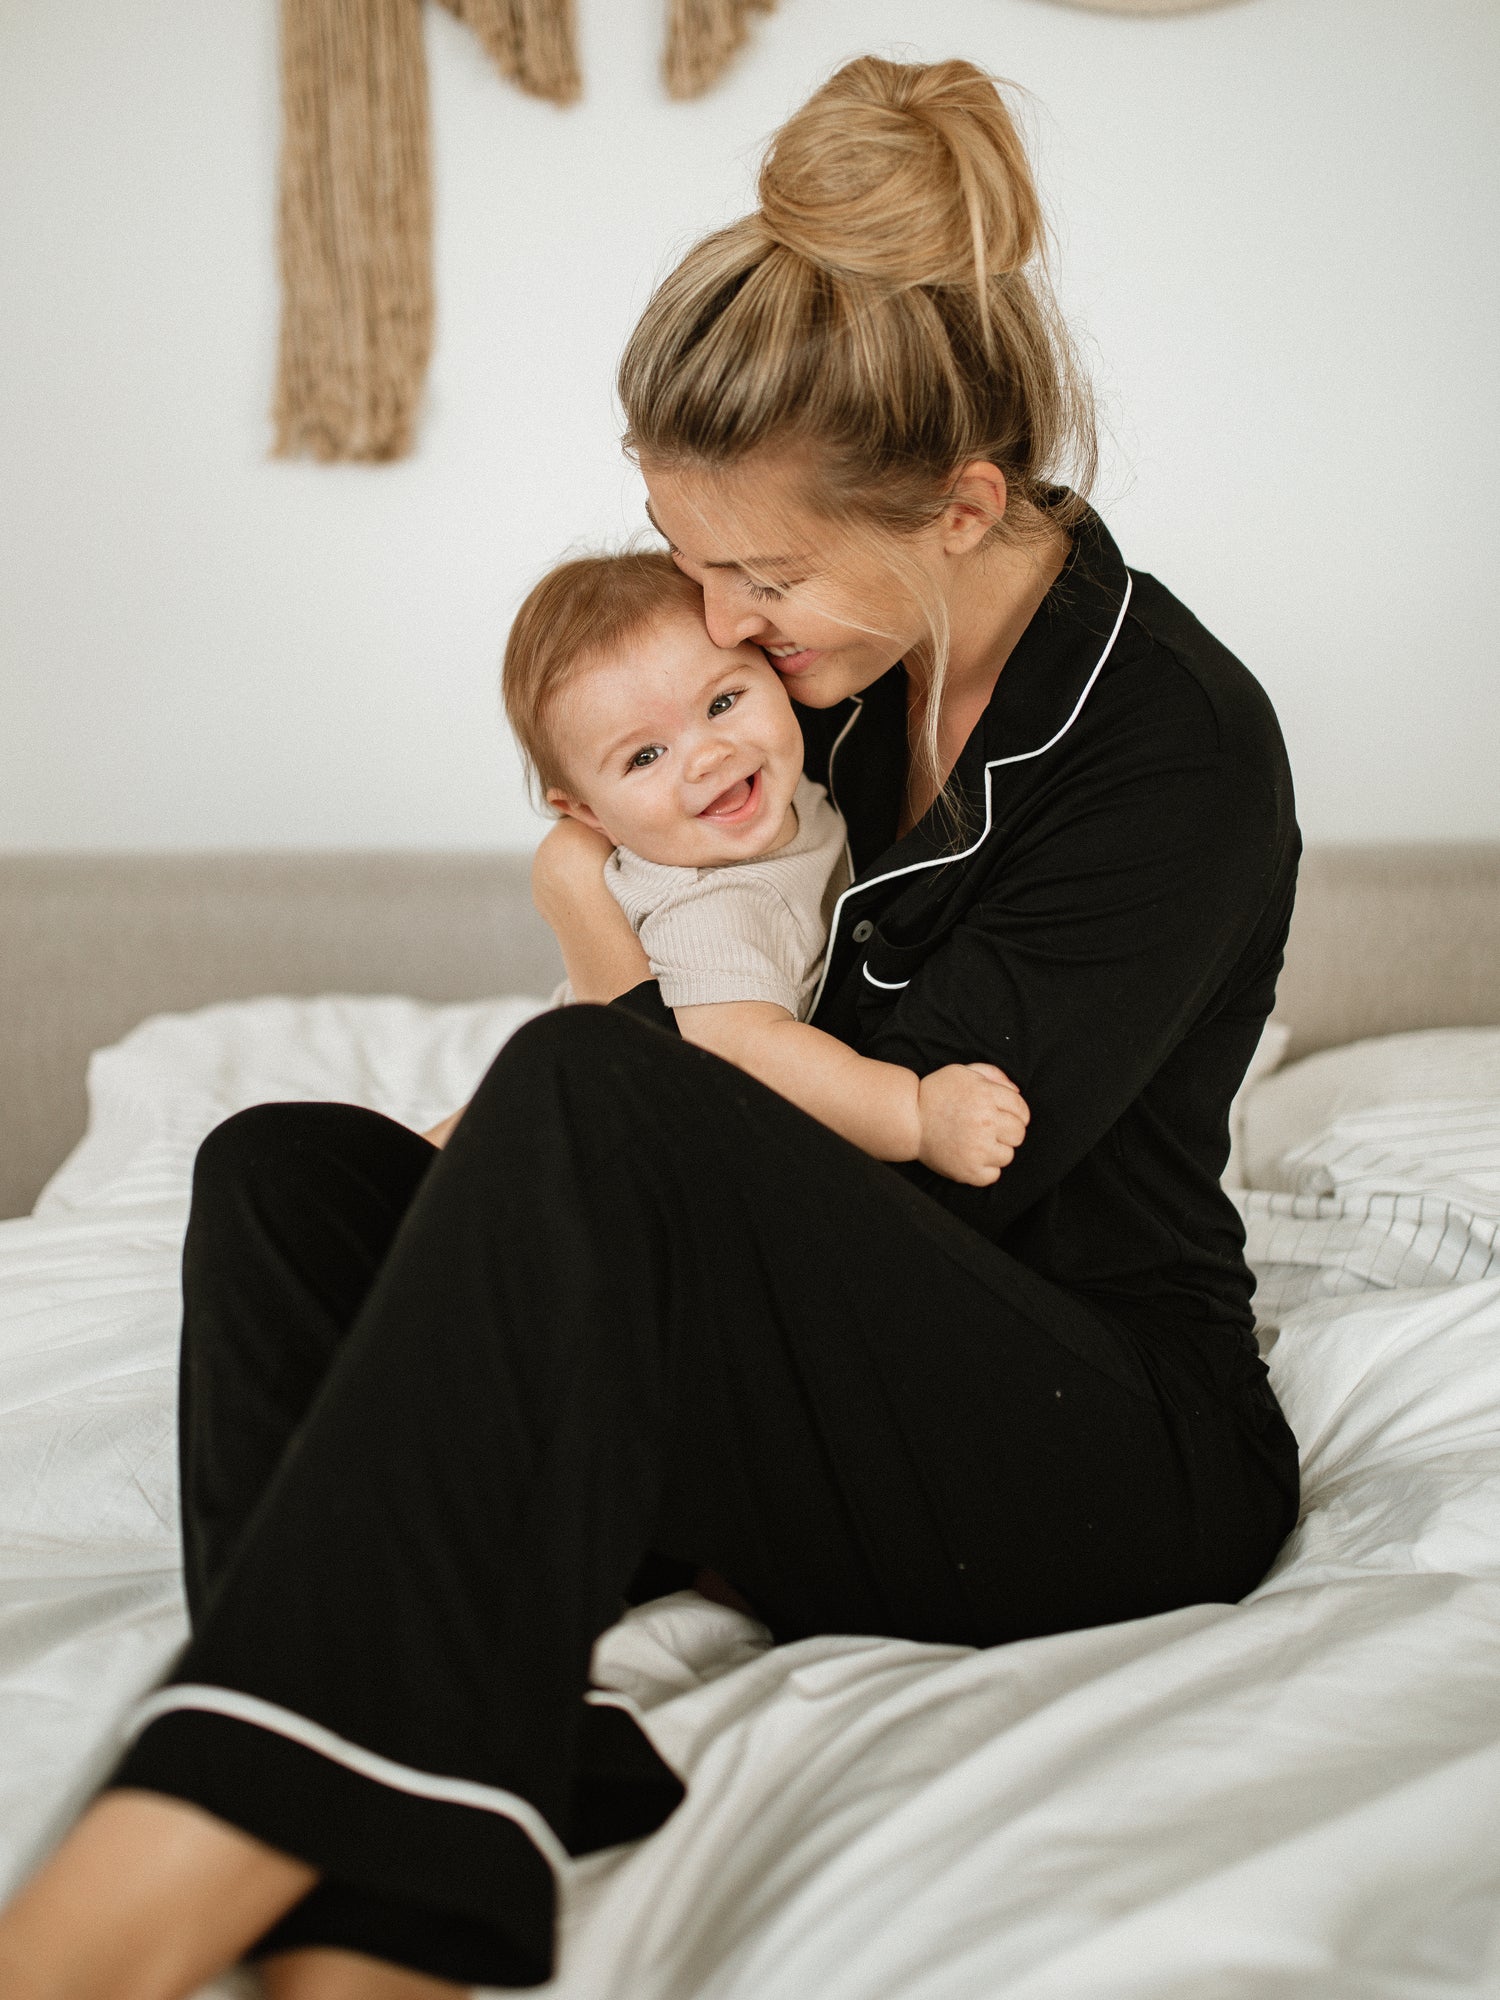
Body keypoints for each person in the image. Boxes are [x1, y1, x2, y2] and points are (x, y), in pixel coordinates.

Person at [0, 52, 1301, 2000]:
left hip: (1091, 1436)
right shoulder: (812, 696)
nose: (716, 625)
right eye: (687, 557)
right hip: (802, 1369)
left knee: (584, 1089)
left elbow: (916, 1161)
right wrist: (567, 1024)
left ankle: (180, 1845)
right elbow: (699, 1078)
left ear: (959, 504)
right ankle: (394, 1884)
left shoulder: (1171, 746)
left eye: (756, 578)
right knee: (277, 1171)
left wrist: (566, 1121)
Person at [497, 546, 1029, 1185]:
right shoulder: (709, 905)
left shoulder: (784, 789)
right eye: (644, 757)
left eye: (722, 703)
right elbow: (750, 1054)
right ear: (586, 813)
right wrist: (913, 1115)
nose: (706, 757)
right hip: (584, 1136)